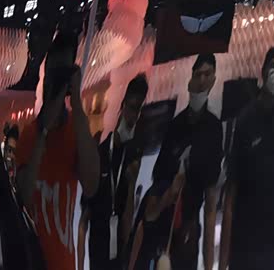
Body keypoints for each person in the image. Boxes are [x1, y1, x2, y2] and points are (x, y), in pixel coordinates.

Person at [15, 28, 101, 270]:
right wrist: (43, 131)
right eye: (54, 73)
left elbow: (92, 185)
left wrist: (77, 103)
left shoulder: (75, 130)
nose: (57, 81)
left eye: (64, 74)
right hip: (31, 261)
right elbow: (24, 197)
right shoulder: (29, 135)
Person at [131, 54, 222, 270]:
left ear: (213, 80)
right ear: (190, 79)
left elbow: (210, 203)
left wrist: (209, 264)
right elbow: (156, 187)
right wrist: (168, 195)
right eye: (198, 75)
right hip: (161, 223)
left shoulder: (213, 130)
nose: (201, 81)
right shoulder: (175, 126)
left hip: (188, 228)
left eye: (207, 75)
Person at [220, 47, 274, 270]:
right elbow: (231, 194)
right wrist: (223, 260)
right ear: (263, 71)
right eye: (273, 66)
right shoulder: (245, 120)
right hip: (246, 241)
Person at [88, 74, 148, 270]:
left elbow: (128, 219)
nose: (134, 116)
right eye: (132, 107)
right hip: (98, 242)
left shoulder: (134, 154)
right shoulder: (103, 150)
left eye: (138, 110)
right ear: (122, 105)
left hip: (118, 250)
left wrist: (131, 184)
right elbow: (86, 214)